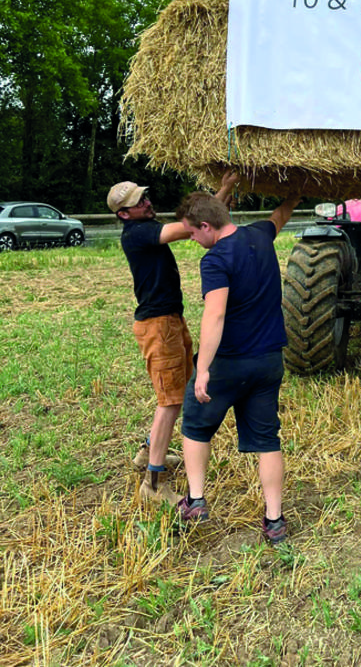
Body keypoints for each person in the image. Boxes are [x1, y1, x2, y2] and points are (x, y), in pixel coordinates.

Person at [173, 190, 300, 544]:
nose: (193, 240)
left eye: (193, 233)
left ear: (206, 226)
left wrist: (203, 369)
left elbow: (215, 315)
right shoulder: (260, 234)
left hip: (229, 363)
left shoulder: (215, 260)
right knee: (266, 440)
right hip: (269, 361)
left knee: (195, 426)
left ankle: (196, 500)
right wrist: (295, 193)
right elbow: (280, 214)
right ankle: (274, 521)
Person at [107, 173, 238, 506]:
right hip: (157, 325)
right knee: (169, 402)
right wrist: (224, 190)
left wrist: (220, 198)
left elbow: (199, 221)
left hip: (171, 320)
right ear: (124, 214)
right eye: (139, 203)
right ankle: (152, 484)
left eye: (145, 197)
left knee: (176, 391)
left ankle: (147, 453)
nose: (147, 203)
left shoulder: (145, 226)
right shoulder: (137, 234)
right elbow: (191, 227)